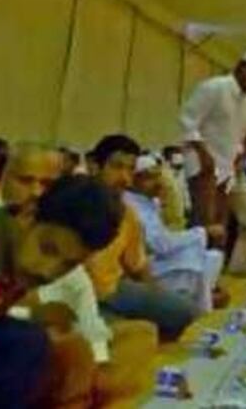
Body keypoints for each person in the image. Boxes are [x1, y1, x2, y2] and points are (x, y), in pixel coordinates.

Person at [0, 174, 121, 408]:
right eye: (47, 249)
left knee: (27, 341)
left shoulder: (19, 253)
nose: (48, 271)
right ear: (28, 214)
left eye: (68, 264)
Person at [85, 135, 198, 341]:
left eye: (129, 169)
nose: (125, 178)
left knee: (184, 311)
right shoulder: (72, 202)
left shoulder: (127, 214)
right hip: (81, 292)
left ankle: (125, 327)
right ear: (94, 166)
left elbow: (139, 267)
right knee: (114, 334)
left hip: (116, 289)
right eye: (117, 167)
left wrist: (157, 300)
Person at [179, 50, 246, 231]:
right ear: (244, 68)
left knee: (218, 227)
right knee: (202, 225)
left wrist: (237, 156)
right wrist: (203, 154)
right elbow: (187, 121)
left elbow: (239, 133)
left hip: (225, 170)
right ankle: (191, 258)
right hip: (203, 166)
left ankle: (211, 259)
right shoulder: (215, 87)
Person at [126, 154, 224, 313]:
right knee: (196, 256)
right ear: (133, 180)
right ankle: (195, 306)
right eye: (149, 178)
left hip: (160, 256)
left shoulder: (146, 201)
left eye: (158, 176)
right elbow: (160, 245)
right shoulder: (133, 206)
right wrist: (202, 231)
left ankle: (200, 300)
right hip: (147, 267)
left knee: (211, 256)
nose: (157, 183)